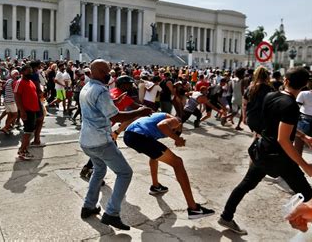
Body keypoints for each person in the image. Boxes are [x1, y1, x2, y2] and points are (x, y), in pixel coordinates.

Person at [218, 67, 312, 236]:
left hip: (262, 150)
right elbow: (283, 138)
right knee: (309, 198)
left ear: (286, 81)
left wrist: (303, 136)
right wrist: (304, 165)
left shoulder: (270, 96)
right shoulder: (291, 106)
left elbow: (277, 126)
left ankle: (226, 216)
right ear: (304, 86)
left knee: (246, 185)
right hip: (280, 158)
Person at [79, 59, 152, 230]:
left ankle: (88, 206)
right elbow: (116, 117)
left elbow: (99, 110)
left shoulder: (86, 87)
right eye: (103, 71)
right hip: (100, 141)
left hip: (86, 140)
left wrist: (115, 103)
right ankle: (111, 213)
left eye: (109, 71)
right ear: (94, 71)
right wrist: (141, 111)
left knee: (99, 170)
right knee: (125, 173)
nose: (108, 75)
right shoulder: (101, 90)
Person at [124, 113, 215, 219]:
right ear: (180, 125)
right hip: (139, 137)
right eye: (177, 131)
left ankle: (156, 186)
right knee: (178, 163)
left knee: (155, 155)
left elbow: (137, 120)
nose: (173, 132)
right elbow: (162, 126)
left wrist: (117, 132)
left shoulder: (154, 118)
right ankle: (194, 208)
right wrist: (177, 139)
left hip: (129, 136)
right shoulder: (175, 121)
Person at [14, 64, 40, 160]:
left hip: (33, 110)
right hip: (27, 111)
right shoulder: (20, 82)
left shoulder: (30, 81)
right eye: (28, 71)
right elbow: (17, 97)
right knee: (28, 131)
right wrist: (22, 111)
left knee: (29, 131)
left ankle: (23, 149)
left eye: (31, 71)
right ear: (22, 72)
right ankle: (23, 151)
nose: (30, 73)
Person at [295, 71, 312, 153]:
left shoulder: (303, 94)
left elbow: (295, 109)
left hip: (303, 123)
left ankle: (295, 165)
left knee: (297, 150)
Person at [0, 70, 19, 134]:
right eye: (15, 74)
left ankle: (7, 127)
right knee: (15, 115)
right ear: (12, 75)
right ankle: (5, 127)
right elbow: (15, 91)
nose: (17, 75)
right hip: (11, 100)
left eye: (17, 74)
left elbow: (4, 87)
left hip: (6, 100)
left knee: (9, 115)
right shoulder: (14, 82)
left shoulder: (8, 80)